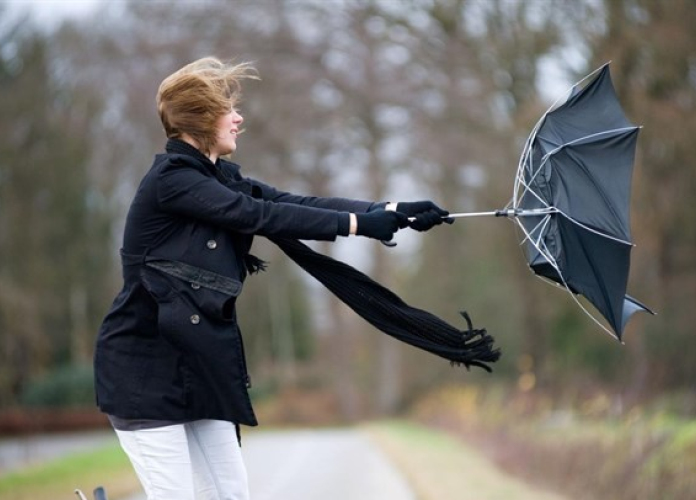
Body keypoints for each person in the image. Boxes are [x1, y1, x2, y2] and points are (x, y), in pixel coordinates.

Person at [93, 57, 450, 500]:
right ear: (202, 119)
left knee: (231, 494)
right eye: (228, 109)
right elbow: (259, 215)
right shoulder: (173, 182)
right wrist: (359, 226)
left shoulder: (219, 176)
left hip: (198, 367)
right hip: (144, 372)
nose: (239, 118)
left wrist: (389, 211)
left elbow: (290, 200)